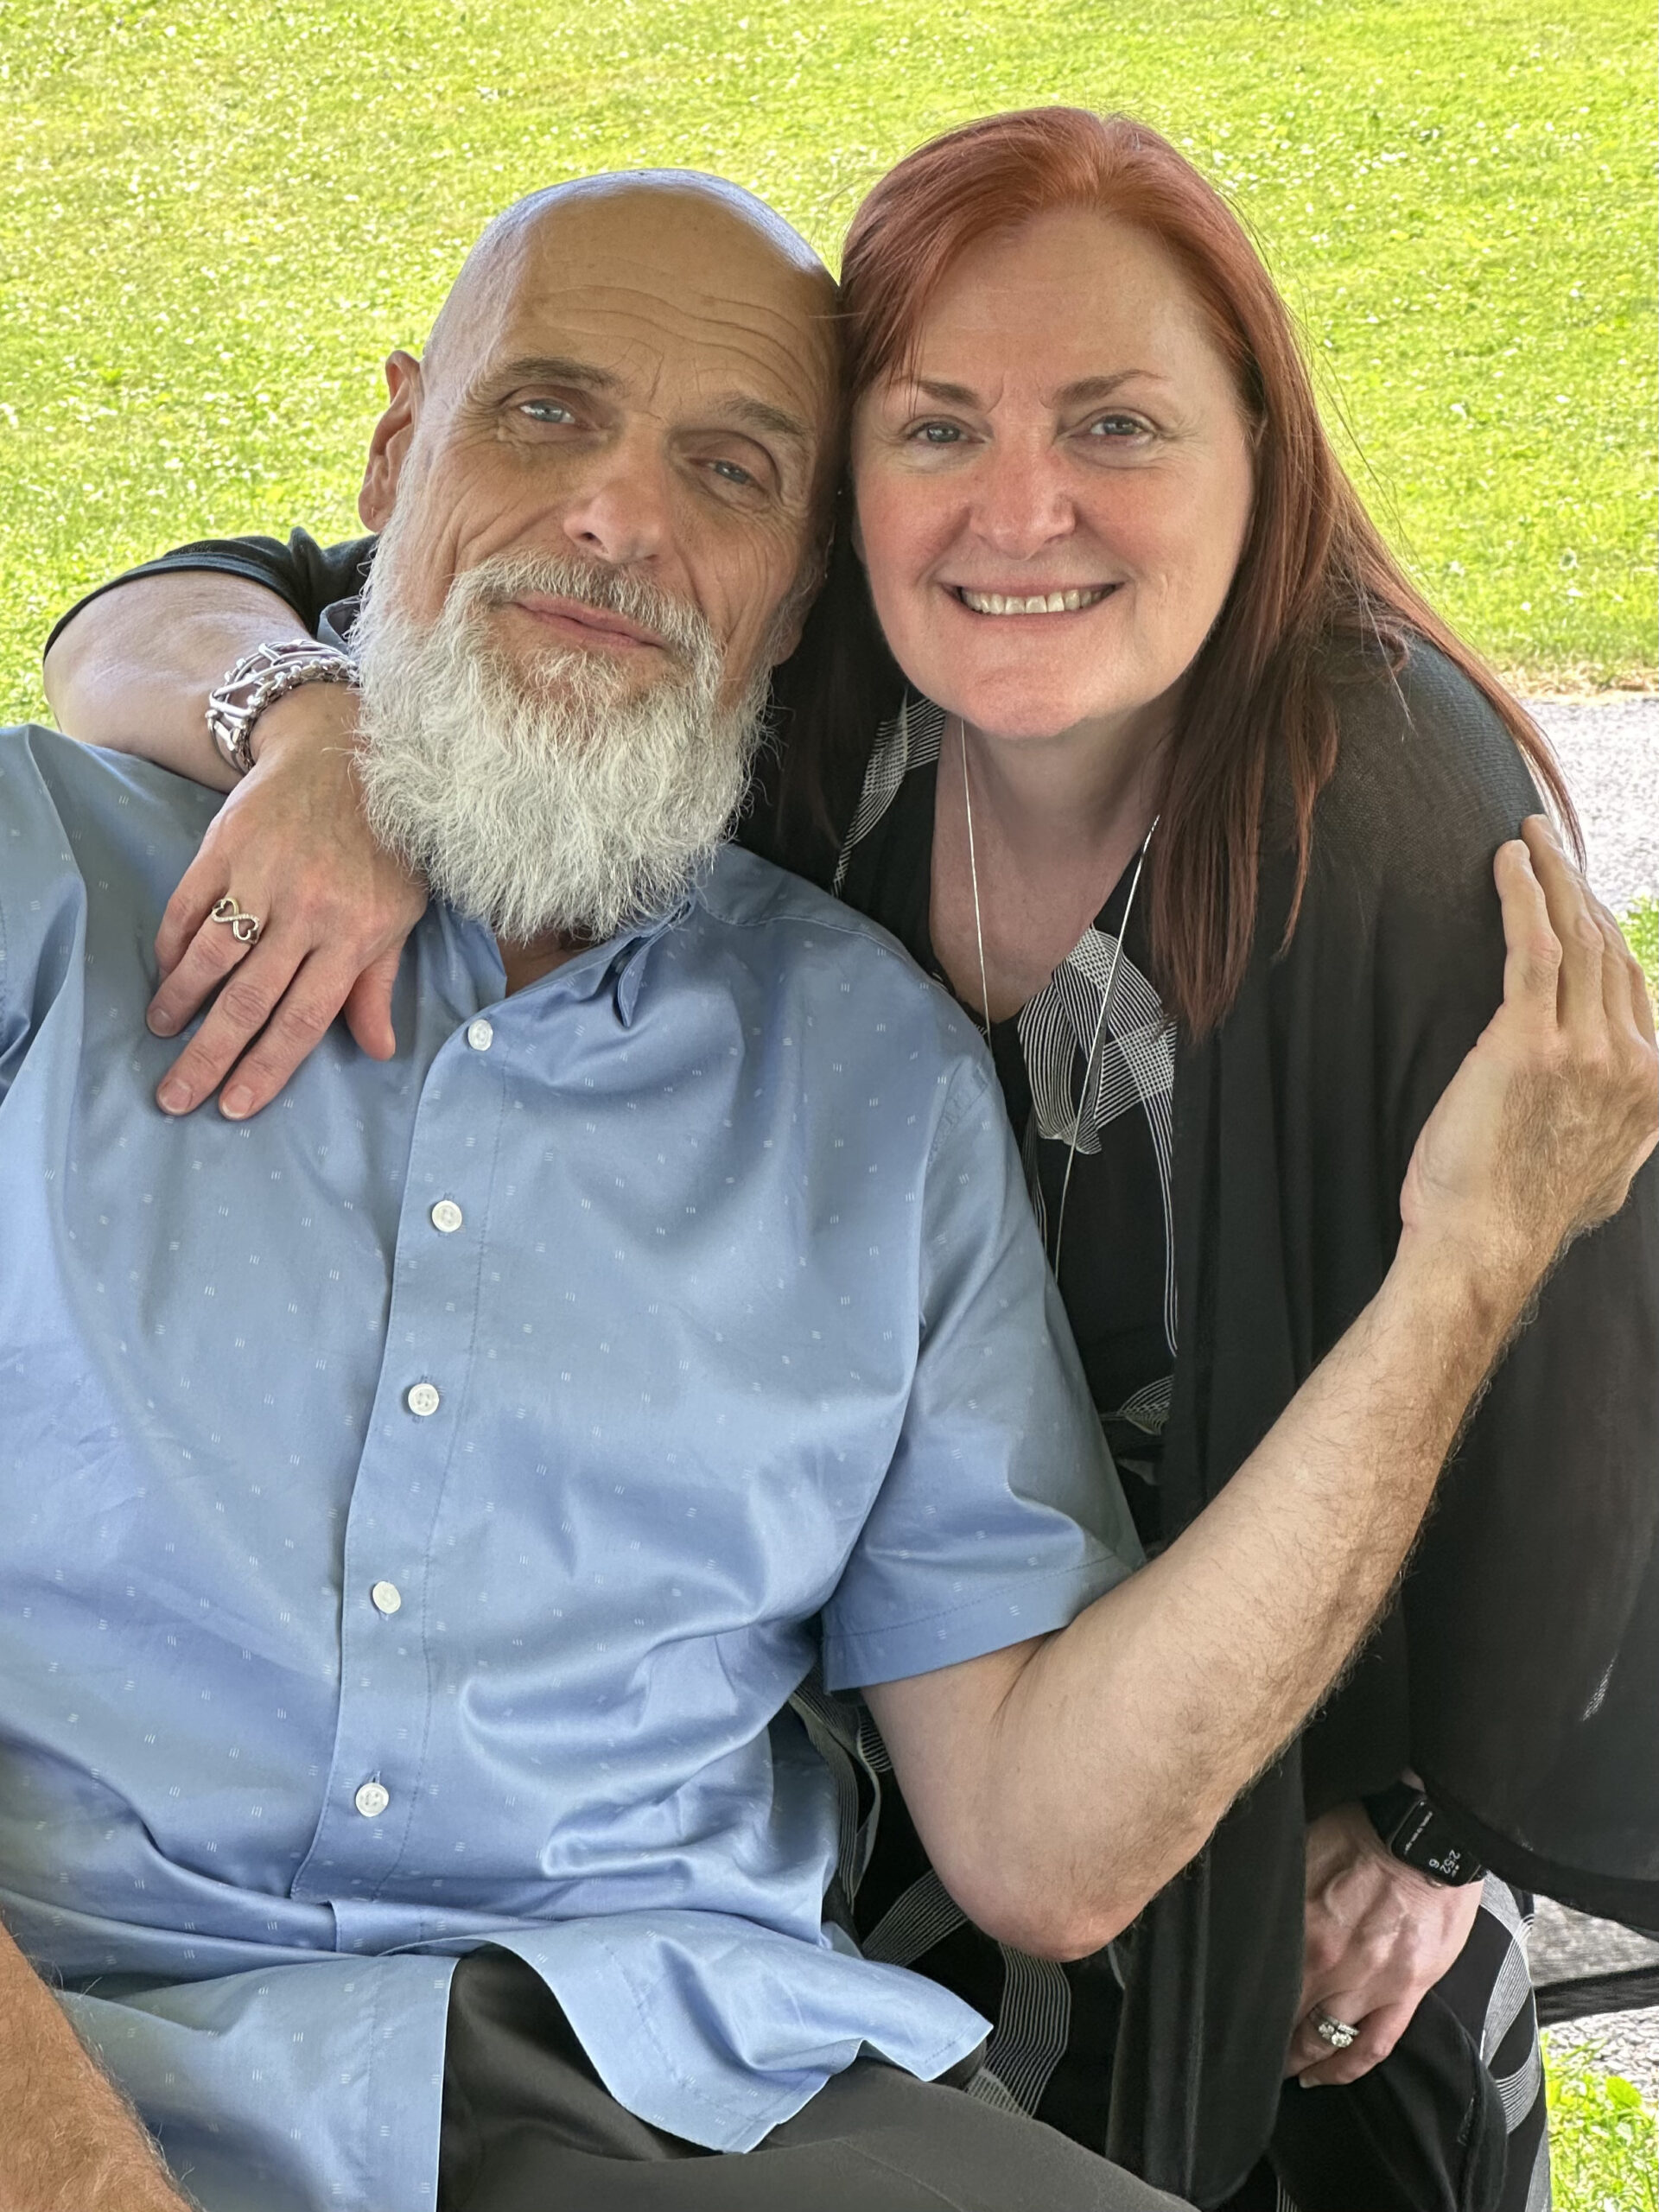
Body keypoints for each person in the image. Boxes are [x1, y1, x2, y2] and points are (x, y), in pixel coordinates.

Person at [39, 125, 1659, 2212]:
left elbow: (1065, 1817)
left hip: (725, 2033)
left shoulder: (1010, 1004)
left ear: (797, 582)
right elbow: (172, 614)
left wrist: (1467, 1274)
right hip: (86, 2006)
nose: (621, 514)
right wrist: (301, 719)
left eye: (730, 468)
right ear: (395, 452)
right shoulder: (63, 879)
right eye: (544, 413)